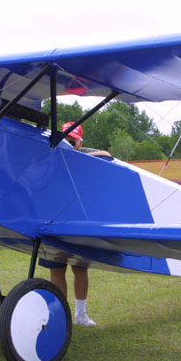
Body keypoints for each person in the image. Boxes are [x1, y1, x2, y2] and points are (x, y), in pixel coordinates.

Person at [40, 122, 108, 327]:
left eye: (72, 141)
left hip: (78, 221)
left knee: (80, 268)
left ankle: (81, 314)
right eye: (65, 140)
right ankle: (62, 316)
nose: (68, 144)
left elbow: (106, 154)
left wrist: (78, 157)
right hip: (53, 218)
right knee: (56, 270)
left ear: (80, 142)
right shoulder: (52, 150)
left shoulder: (84, 152)